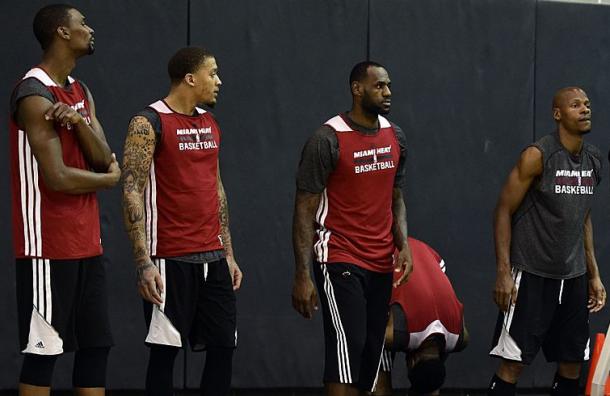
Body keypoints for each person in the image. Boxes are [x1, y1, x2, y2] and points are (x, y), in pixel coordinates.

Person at [9, 4, 121, 396]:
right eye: (82, 23)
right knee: (44, 352)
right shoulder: (33, 93)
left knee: (95, 348)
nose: (90, 29)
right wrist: (108, 181)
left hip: (86, 242)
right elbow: (56, 178)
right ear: (61, 32)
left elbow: (102, 153)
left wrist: (78, 122)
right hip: (47, 245)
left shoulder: (79, 90)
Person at [122, 46, 242, 396]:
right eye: (213, 73)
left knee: (224, 347)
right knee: (165, 354)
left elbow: (217, 189)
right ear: (191, 78)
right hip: (169, 258)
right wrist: (143, 263)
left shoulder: (210, 122)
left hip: (214, 258)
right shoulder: (149, 122)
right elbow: (131, 191)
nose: (218, 81)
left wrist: (229, 252)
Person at [291, 61, 413, 396]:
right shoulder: (326, 139)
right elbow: (304, 210)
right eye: (379, 86)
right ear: (357, 89)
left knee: (373, 350)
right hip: (339, 257)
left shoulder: (395, 135)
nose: (387, 93)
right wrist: (303, 274)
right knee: (348, 348)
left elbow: (396, 196)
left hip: (380, 261)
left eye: (388, 86)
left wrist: (403, 243)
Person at [489, 87, 606, 396]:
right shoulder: (537, 156)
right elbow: (503, 210)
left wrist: (593, 274)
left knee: (572, 364)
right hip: (532, 274)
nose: (585, 109)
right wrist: (503, 271)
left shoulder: (593, 160)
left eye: (587, 104)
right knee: (513, 363)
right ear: (558, 114)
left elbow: (582, 218)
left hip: (574, 277)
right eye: (575, 105)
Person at [373, 237, 468, 396]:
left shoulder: (460, 339)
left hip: (430, 256)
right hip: (388, 253)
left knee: (429, 381)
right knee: (379, 346)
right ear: (412, 361)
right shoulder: (395, 334)